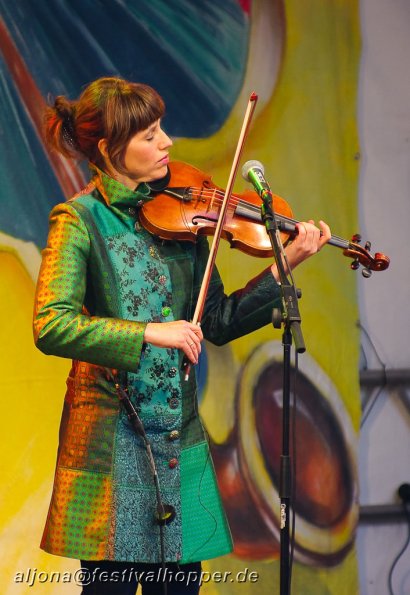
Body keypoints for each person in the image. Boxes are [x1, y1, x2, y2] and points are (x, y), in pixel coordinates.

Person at [33, 76, 331, 594]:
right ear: (109, 149)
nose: (166, 142)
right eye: (149, 135)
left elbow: (215, 320)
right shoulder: (78, 221)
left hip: (178, 439)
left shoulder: (185, 218)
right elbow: (52, 323)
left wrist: (284, 268)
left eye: (160, 129)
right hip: (112, 440)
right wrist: (150, 332)